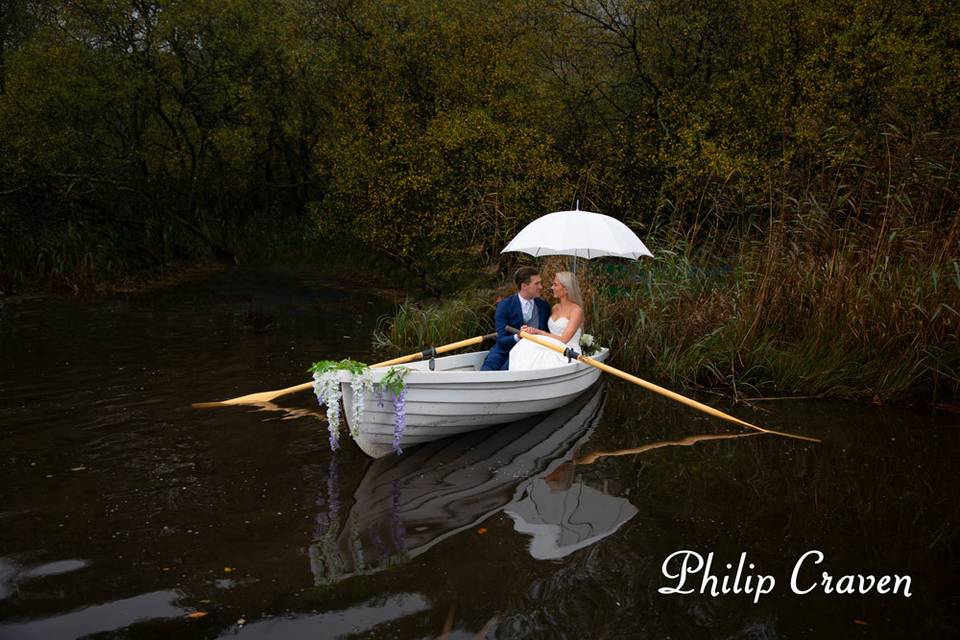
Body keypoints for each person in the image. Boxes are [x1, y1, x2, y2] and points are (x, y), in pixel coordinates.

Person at [508, 271, 584, 371]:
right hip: (551, 346)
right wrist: (530, 331)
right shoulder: (554, 308)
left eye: (555, 285)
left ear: (566, 289)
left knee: (539, 358)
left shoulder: (576, 311)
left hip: (568, 351)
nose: (552, 287)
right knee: (524, 346)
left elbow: (564, 340)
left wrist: (538, 332)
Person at [480, 267, 552, 371]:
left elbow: (547, 333)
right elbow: (501, 340)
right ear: (524, 286)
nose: (541, 287)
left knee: (505, 373)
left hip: (528, 354)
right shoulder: (504, 306)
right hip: (503, 351)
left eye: (540, 283)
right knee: (486, 371)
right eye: (536, 284)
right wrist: (518, 336)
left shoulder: (543, 306)